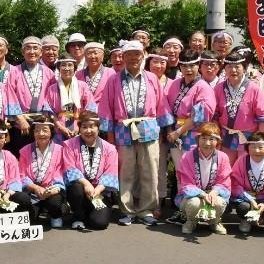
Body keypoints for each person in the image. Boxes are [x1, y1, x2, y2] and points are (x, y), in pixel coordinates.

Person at [98, 40, 174, 227]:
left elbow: (161, 105)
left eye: (136, 54)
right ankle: (127, 209)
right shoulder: (113, 80)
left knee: (150, 169)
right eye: (129, 54)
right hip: (123, 129)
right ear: (122, 57)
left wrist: (164, 130)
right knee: (126, 171)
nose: (133, 58)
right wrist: (109, 135)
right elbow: (106, 107)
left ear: (143, 56)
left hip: (149, 128)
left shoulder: (152, 78)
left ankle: (147, 209)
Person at [163, 49, 216, 225]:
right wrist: (171, 131)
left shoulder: (203, 87)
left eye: (192, 65)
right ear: (180, 66)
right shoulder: (175, 84)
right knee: (179, 174)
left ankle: (197, 209)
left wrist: (178, 131)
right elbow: (166, 109)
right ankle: (183, 209)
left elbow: (199, 117)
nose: (189, 69)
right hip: (175, 134)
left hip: (193, 136)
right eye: (185, 66)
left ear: (198, 66)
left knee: (193, 174)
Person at [63, 111, 119, 231]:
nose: (88, 131)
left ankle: (89, 212)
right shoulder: (69, 145)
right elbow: (70, 168)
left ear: (98, 128)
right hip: (80, 190)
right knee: (76, 188)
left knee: (99, 223)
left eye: (92, 126)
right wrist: (86, 183)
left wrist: (97, 189)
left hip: (100, 192)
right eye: (84, 127)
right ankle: (78, 216)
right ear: (79, 128)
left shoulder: (110, 148)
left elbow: (111, 172)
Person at [214, 51, 264, 165]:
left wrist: (258, 140)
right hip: (226, 137)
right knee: (225, 168)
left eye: (237, 67)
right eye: (229, 67)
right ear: (224, 69)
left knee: (245, 169)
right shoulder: (219, 88)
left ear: (244, 68)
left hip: (249, 138)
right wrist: (218, 134)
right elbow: (215, 114)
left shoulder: (253, 88)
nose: (233, 70)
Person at [174, 123, 231, 235]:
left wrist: (214, 192)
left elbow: (224, 181)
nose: (207, 143)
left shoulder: (223, 157)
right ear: (197, 139)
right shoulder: (188, 156)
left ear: (218, 141)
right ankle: (191, 221)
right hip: (194, 195)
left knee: (219, 202)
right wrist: (203, 195)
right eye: (203, 138)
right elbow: (186, 183)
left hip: (213, 194)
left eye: (212, 139)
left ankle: (214, 221)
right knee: (194, 203)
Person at [5, 36, 56, 153]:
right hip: (21, 124)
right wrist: (20, 119)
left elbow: (52, 97)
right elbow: (9, 96)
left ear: (41, 52)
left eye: (35, 48)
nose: (32, 51)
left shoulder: (49, 73)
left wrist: (47, 117)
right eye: (28, 48)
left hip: (42, 122)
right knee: (22, 155)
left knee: (42, 155)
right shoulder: (14, 72)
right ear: (23, 52)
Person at [18, 117, 66, 228]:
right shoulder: (25, 150)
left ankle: (56, 215)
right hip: (32, 191)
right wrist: (35, 188)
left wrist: (55, 188)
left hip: (51, 190)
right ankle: (39, 209)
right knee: (29, 221)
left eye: (45, 130)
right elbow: (21, 175)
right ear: (33, 132)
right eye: (37, 130)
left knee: (55, 202)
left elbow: (61, 172)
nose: (41, 133)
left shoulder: (60, 150)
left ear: (51, 132)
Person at [42, 53, 97, 142]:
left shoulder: (83, 86)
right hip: (59, 129)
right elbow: (49, 111)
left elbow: (90, 108)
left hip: (80, 128)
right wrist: (60, 127)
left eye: (70, 65)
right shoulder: (51, 89)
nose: (67, 68)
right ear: (59, 68)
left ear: (75, 68)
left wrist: (79, 125)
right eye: (63, 65)